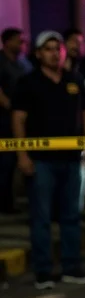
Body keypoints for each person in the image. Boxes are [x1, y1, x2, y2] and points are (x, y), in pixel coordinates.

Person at [13, 31, 85, 288]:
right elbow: (18, 119)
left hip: (73, 160)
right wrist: (22, 155)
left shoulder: (75, 80)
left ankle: (72, 266)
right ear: (38, 54)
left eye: (57, 48)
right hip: (41, 161)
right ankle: (43, 270)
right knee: (41, 218)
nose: (54, 52)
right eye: (48, 48)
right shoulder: (28, 82)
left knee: (72, 215)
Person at [0, 28, 29, 213]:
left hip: (21, 119)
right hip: (3, 120)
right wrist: (12, 107)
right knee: (4, 163)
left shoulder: (22, 63)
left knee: (12, 165)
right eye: (19, 41)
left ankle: (10, 201)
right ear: (8, 41)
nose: (22, 44)